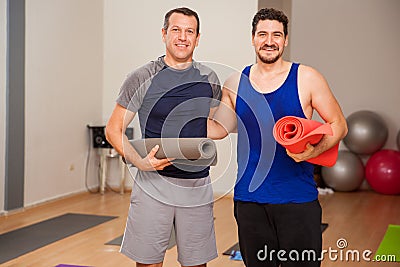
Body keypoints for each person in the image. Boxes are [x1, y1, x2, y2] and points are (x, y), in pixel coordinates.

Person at [208, 8, 348, 267]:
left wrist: (311, 153)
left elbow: (339, 125)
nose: (269, 41)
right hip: (249, 201)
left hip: (297, 200)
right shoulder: (236, 82)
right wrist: (181, 113)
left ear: (285, 40)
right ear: (252, 39)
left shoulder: (307, 78)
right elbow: (218, 128)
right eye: (262, 34)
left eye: (276, 35)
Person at [106, 7, 221, 267]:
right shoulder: (142, 77)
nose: (182, 37)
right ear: (164, 33)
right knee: (148, 263)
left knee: (196, 264)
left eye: (189, 31)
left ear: (198, 37)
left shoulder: (209, 79)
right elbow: (113, 129)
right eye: (176, 30)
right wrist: (139, 161)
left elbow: (210, 125)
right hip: (153, 185)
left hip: (197, 186)